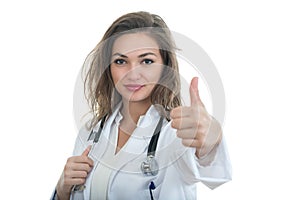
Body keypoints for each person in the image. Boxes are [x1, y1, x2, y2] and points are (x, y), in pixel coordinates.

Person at [52, 11, 231, 200]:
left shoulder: (176, 134)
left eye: (146, 61)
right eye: (121, 61)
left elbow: (212, 173)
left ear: (164, 66)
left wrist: (212, 139)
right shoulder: (90, 133)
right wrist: (62, 191)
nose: (133, 74)